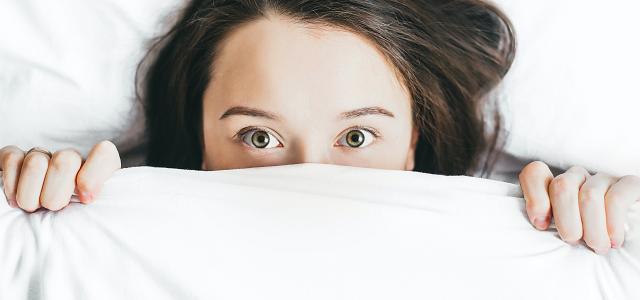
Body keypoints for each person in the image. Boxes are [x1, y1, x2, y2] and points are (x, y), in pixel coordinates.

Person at [1, 0, 638, 255]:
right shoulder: (110, 233)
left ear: (414, 141)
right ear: (197, 142)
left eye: (356, 137)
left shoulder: (525, 234)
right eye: (258, 136)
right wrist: (32, 198)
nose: (308, 181)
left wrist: (616, 217)